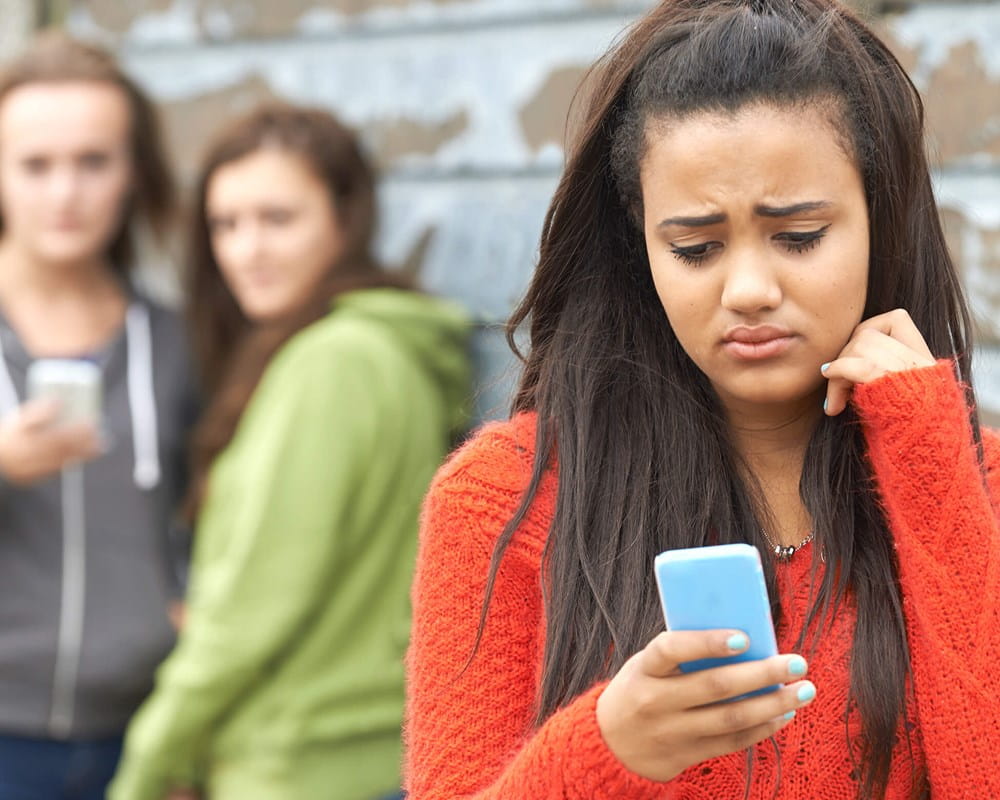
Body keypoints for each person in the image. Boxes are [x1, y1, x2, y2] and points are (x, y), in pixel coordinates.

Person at [403, 0, 1000, 798]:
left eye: (799, 237)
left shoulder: (974, 483)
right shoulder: (504, 500)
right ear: (640, 246)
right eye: (695, 247)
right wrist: (608, 751)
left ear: (879, 220)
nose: (748, 289)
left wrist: (932, 472)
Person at [109, 103, 471, 800]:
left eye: (277, 219)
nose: (247, 250)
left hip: (299, 764)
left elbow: (251, 611)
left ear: (344, 219)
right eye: (225, 225)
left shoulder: (330, 364)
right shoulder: (385, 346)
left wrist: (147, 767)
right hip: (365, 755)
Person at [0, 31, 197, 800]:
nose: (65, 193)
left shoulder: (181, 342)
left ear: (133, 172)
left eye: (93, 161)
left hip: (143, 733)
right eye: (35, 165)